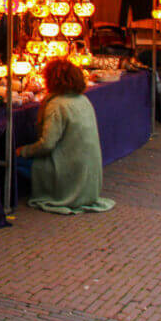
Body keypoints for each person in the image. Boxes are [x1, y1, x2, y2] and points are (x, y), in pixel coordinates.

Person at [17, 57, 115, 214]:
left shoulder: (57, 105)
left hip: (68, 173)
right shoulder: (83, 99)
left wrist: (23, 151)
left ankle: (43, 189)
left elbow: (47, 145)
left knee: (14, 161)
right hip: (87, 178)